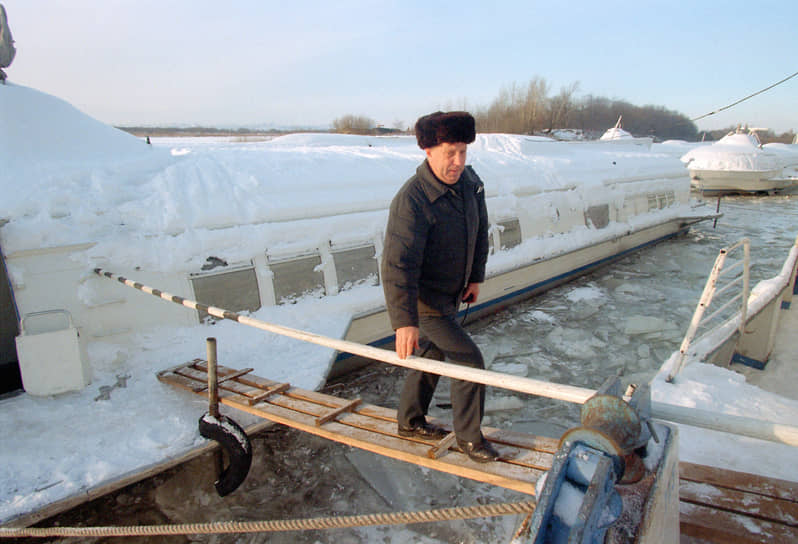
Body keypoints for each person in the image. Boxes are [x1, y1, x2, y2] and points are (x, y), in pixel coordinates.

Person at [381, 111, 499, 463]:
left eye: (463, 151)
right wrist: (404, 321)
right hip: (424, 302)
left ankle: (410, 421)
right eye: (450, 152)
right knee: (468, 360)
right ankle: (469, 439)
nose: (458, 162)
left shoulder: (469, 184)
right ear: (428, 151)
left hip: (450, 294)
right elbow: (397, 264)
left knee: (432, 355)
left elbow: (480, 231)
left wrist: (475, 277)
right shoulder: (412, 201)